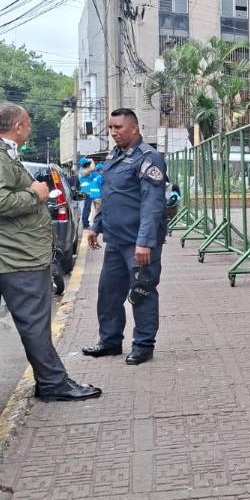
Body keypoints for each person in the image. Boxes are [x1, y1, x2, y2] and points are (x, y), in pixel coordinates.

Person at [0, 103, 101, 402]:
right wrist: (35, 194)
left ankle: (51, 380)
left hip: (17, 251)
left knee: (34, 323)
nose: (29, 129)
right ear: (18, 126)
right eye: (27, 124)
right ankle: (53, 384)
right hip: (16, 255)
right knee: (35, 324)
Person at [83, 108, 168, 365]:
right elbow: (110, 196)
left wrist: (144, 243)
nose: (113, 132)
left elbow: (152, 204)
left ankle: (143, 346)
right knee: (108, 294)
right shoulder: (114, 156)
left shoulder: (148, 158)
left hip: (137, 243)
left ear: (134, 128)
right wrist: (96, 226)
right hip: (116, 241)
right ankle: (109, 342)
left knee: (142, 292)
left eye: (118, 127)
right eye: (111, 128)